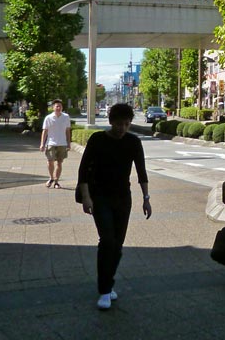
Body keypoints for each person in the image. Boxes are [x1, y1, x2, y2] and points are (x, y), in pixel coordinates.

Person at [78, 103, 152, 310]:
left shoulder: (133, 141)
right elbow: (83, 170)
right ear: (111, 122)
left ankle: (108, 284)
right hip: (99, 196)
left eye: (127, 124)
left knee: (117, 244)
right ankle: (104, 290)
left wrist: (146, 198)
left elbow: (141, 172)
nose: (122, 128)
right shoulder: (98, 140)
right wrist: (86, 197)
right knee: (107, 240)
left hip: (122, 198)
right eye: (119, 124)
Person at [40, 100, 72, 188]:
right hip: (50, 143)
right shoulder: (48, 118)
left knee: (59, 163)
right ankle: (51, 178)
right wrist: (42, 143)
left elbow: (68, 131)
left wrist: (69, 143)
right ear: (53, 107)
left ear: (62, 108)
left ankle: (56, 181)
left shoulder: (66, 117)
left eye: (60, 106)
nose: (58, 108)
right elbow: (45, 131)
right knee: (50, 161)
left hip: (62, 143)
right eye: (56, 106)